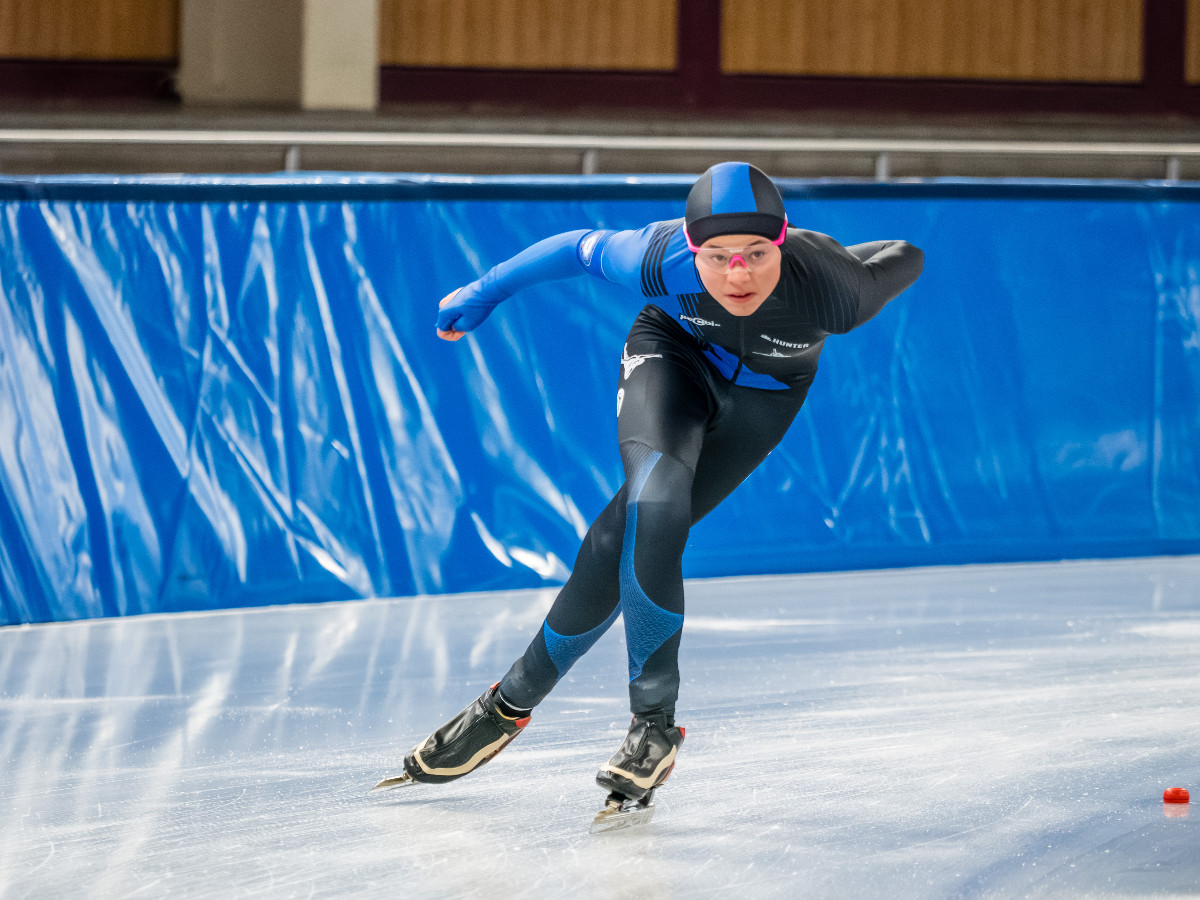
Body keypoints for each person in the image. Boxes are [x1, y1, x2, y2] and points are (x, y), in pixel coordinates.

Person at [388, 162, 924, 809]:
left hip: (766, 397)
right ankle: (652, 725)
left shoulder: (837, 292)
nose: (738, 276)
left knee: (623, 535)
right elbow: (572, 248)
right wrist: (484, 290)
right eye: (718, 257)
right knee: (655, 503)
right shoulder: (656, 257)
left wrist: (833, 253)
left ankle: (508, 704)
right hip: (673, 356)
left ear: (782, 243)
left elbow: (905, 254)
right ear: (691, 249)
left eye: (757, 254)